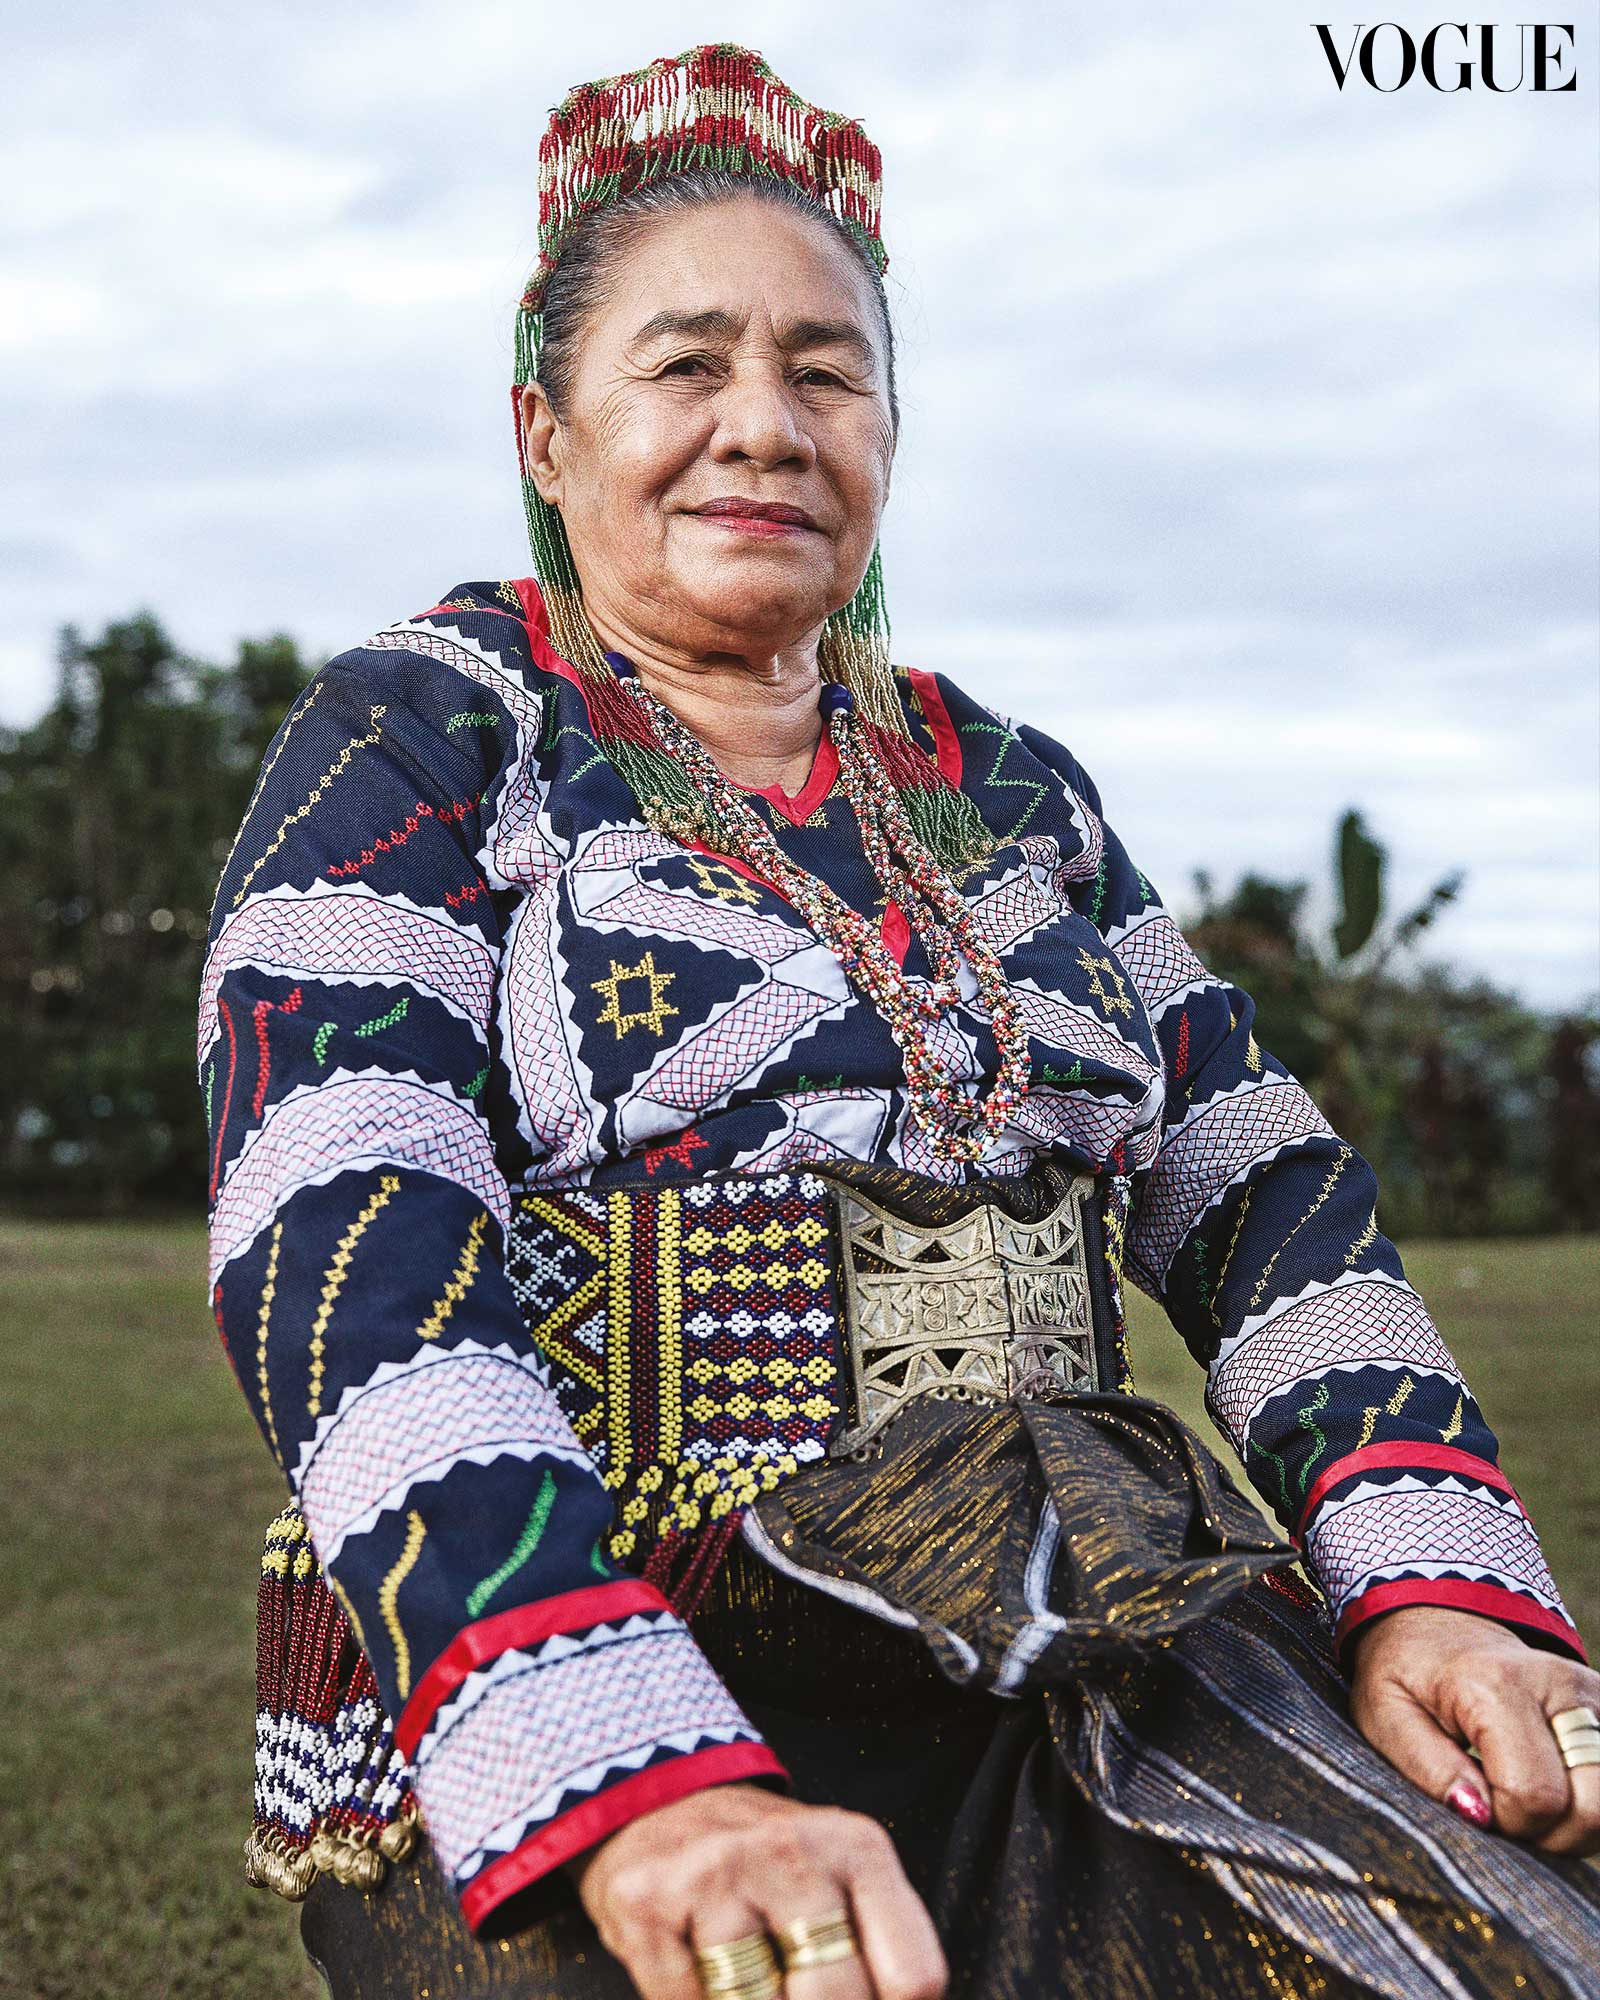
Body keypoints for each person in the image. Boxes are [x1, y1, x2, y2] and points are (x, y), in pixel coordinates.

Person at [198, 41, 1600, 2000]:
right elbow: (340, 1243)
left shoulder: (1011, 789)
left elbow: (1264, 1194)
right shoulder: (424, 737)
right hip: (605, 1632)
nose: (760, 425)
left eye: (823, 370)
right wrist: (633, 1775)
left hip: (1080, 1606)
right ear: (543, 428)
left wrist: (1434, 1590)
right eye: (684, 366)